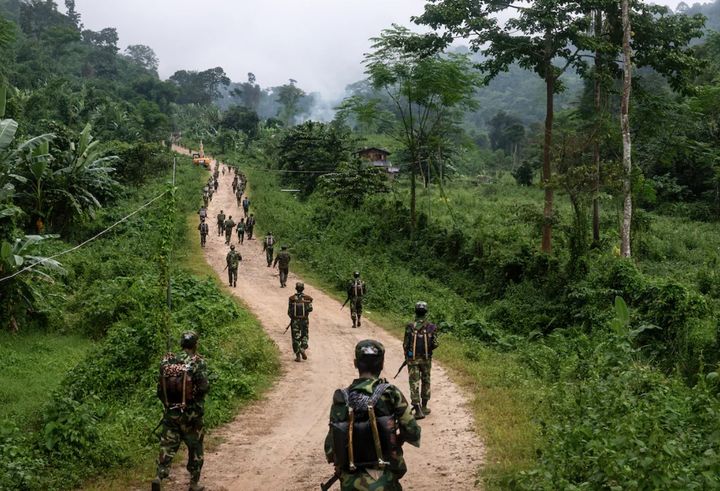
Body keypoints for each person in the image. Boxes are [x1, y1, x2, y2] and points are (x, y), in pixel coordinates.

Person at [324, 339, 421, 491]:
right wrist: (395, 439)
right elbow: (413, 433)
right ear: (382, 364)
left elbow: (330, 449)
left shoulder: (342, 397)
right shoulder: (391, 393)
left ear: (356, 363)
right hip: (386, 480)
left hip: (350, 483)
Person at [152, 331, 209, 491]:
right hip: (192, 416)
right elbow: (204, 387)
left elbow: (159, 391)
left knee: (167, 446)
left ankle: (159, 476)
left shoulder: (169, 361)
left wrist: (169, 405)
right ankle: (194, 483)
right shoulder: (198, 362)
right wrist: (194, 403)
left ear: (181, 345)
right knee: (195, 447)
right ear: (195, 345)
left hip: (171, 413)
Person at [402, 301, 438, 420]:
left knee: (414, 382)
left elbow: (405, 344)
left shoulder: (410, 326)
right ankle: (424, 407)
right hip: (426, 359)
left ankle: (417, 408)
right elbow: (435, 344)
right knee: (426, 380)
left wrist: (407, 356)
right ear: (426, 312)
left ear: (415, 311)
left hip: (413, 360)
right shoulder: (432, 326)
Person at [287, 282, 313, 362]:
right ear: (303, 289)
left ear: (296, 288)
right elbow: (310, 309)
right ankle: (303, 348)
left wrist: (293, 318)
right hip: (304, 320)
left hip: (295, 321)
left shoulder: (292, 298)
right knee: (305, 335)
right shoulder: (308, 298)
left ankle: (298, 356)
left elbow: (289, 312)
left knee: (295, 337)